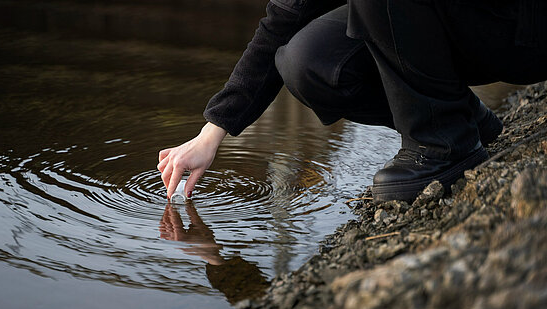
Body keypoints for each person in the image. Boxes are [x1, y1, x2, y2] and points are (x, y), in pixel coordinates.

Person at [158, 0, 547, 202]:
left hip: (519, 29)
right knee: (307, 62)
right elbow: (282, 20)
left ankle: (443, 145)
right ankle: (457, 116)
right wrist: (211, 134)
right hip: (447, 27)